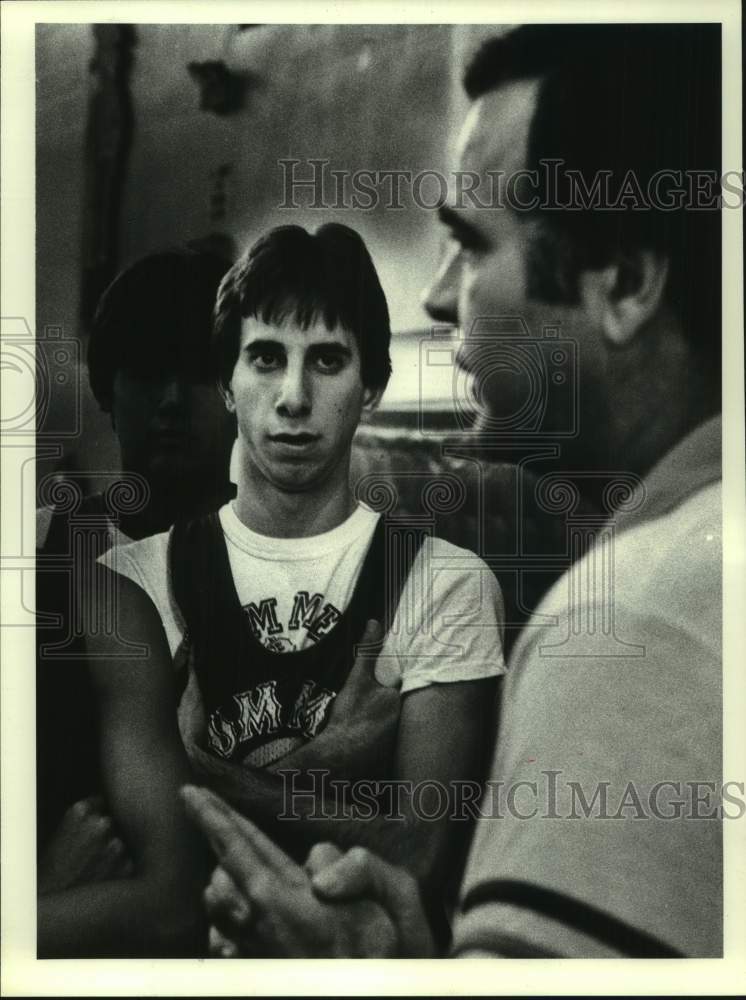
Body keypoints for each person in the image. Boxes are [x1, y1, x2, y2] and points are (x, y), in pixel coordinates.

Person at [183, 23, 724, 959]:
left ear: (626, 283)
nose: (436, 298)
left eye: (471, 246)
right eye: (263, 359)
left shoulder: (645, 619)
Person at [69, 222, 504, 957]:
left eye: (328, 361)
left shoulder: (445, 583)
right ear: (226, 386)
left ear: (371, 388)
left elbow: (422, 858)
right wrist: (335, 782)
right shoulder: (126, 582)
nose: (294, 397)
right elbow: (123, 853)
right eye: (265, 359)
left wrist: (207, 771)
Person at [36, 247, 235, 953]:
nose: (175, 402)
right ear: (109, 391)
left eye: (200, 374)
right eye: (151, 375)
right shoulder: (51, 554)